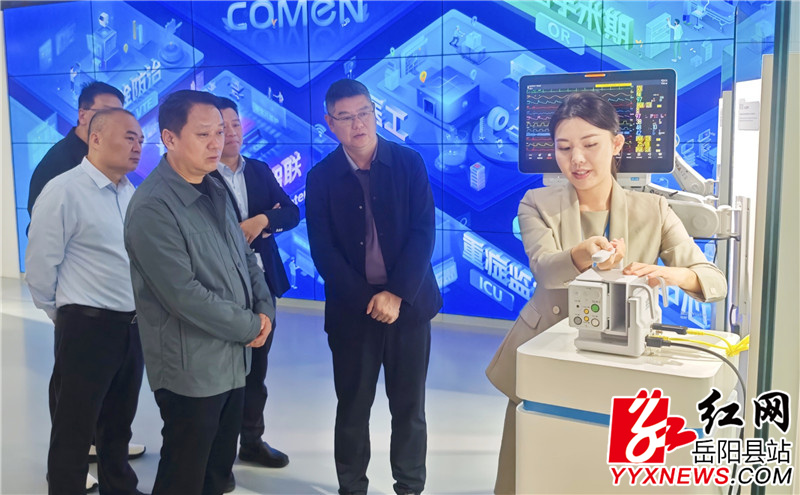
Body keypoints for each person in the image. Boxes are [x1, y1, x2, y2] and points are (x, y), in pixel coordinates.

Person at [485, 92, 728, 494]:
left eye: (590, 144)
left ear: (616, 144)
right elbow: (545, 270)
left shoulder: (654, 210)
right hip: (546, 354)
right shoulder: (537, 203)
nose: (577, 159)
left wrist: (671, 274)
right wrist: (581, 254)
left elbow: (713, 280)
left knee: (604, 466)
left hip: (621, 359)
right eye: (564, 148)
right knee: (530, 465)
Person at [124, 90, 274, 495]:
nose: (216, 143)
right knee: (184, 477)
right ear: (169, 139)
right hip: (191, 371)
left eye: (220, 132)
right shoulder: (153, 206)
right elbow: (183, 294)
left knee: (217, 475)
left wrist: (265, 309)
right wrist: (250, 326)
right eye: (204, 134)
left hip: (233, 362)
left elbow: (244, 255)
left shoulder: (216, 187)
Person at [305, 79, 442, 495]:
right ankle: (352, 488)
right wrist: (371, 300)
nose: (358, 124)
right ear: (330, 123)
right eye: (345, 117)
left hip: (409, 308)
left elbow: (423, 232)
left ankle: (410, 487)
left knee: (409, 410)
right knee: (352, 409)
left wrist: (395, 294)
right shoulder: (321, 177)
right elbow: (323, 251)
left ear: (375, 113)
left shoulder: (408, 163)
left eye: (364, 113)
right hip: (353, 314)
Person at [26, 108, 146, 495]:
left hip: (131, 326)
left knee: (118, 423)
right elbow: (40, 268)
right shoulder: (64, 191)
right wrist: (65, 315)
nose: (137, 146)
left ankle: (119, 488)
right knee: (74, 428)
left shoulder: (131, 193)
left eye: (141, 140)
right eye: (128, 137)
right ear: (95, 138)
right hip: (86, 328)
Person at [210, 97, 299, 477]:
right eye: (221, 127)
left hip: (263, 287)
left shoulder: (259, 170)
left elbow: (292, 212)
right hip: (221, 288)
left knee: (256, 372)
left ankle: (251, 441)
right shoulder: (200, 177)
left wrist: (262, 220)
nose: (232, 133)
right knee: (223, 377)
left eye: (235, 124)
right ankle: (218, 456)